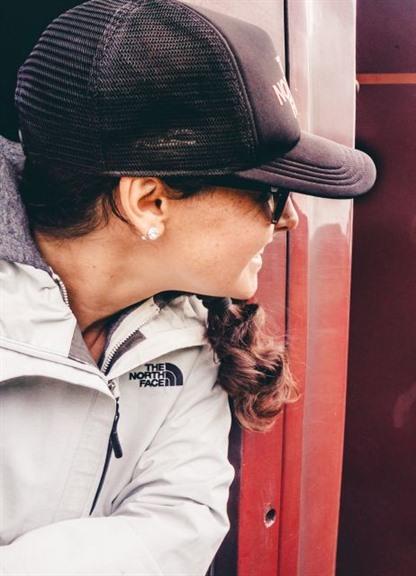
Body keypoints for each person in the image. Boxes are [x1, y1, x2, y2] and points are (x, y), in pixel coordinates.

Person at [0, 1, 375, 574]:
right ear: (150, 201)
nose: (290, 219)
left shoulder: (189, 344)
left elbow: (179, 524)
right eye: (270, 193)